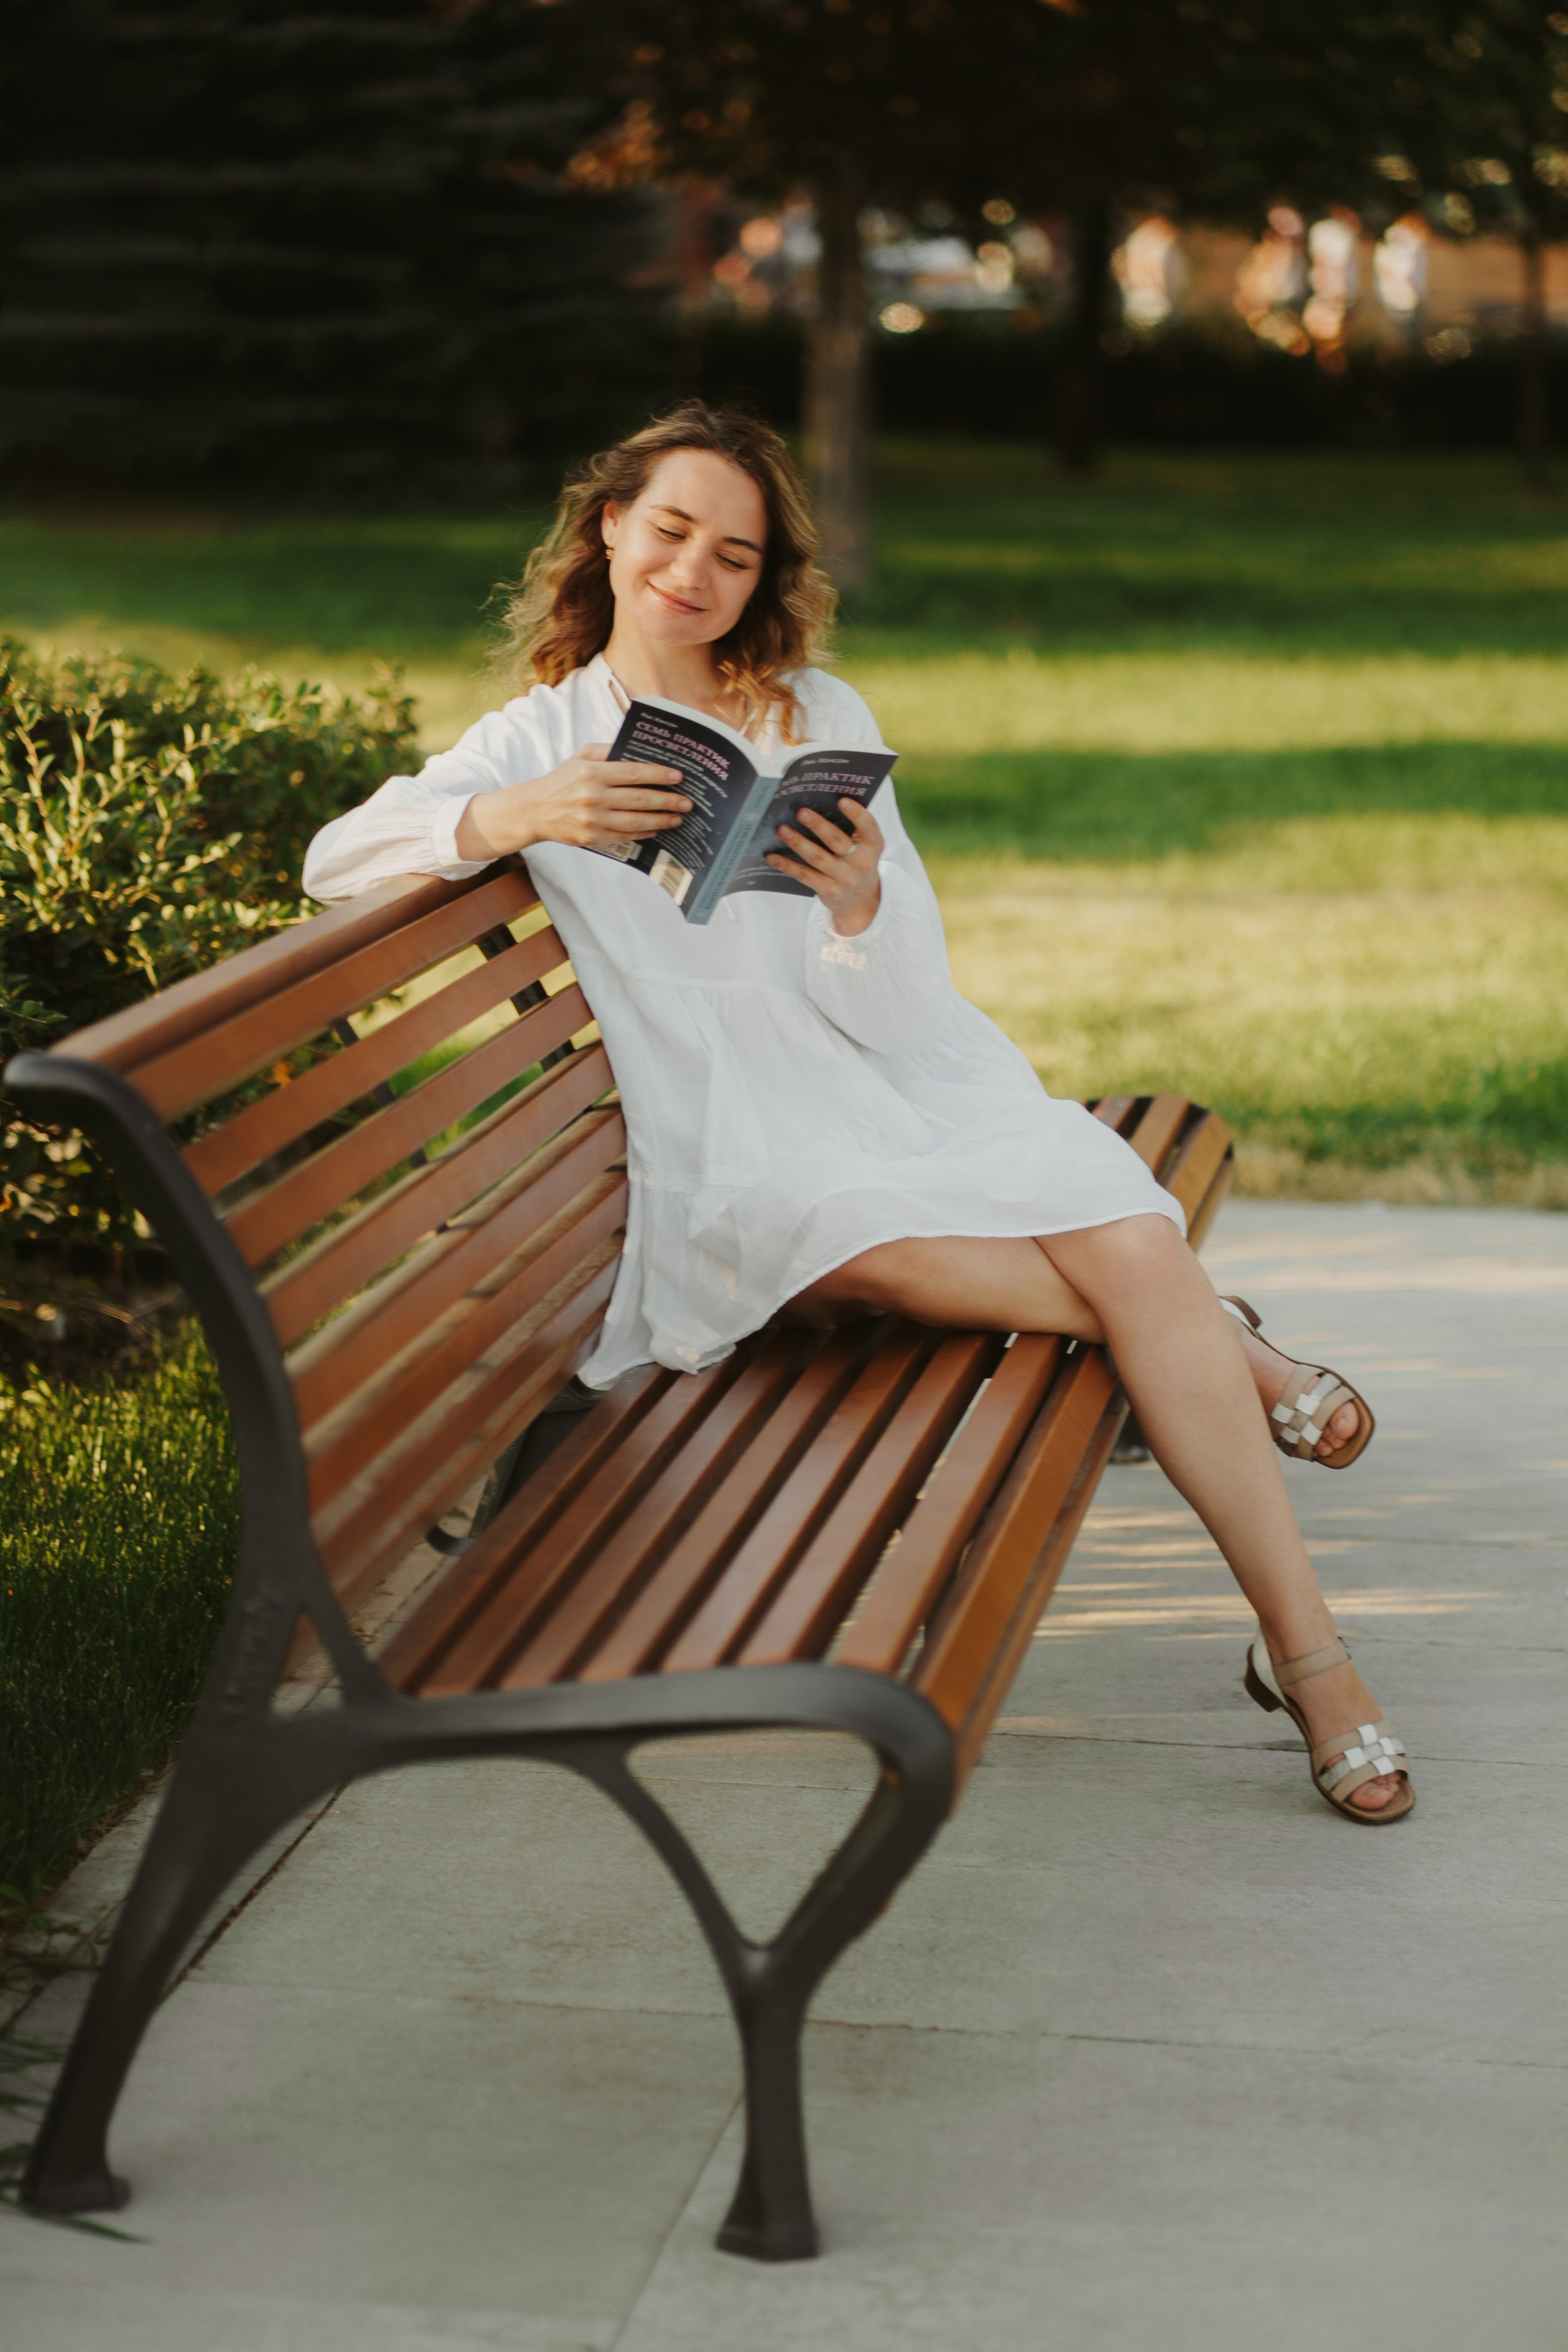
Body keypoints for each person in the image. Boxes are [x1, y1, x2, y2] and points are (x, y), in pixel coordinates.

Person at [303, 402, 1411, 1826]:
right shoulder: (534, 740)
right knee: (1104, 1264)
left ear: (765, 578)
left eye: (735, 553)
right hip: (733, 1150)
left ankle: (1310, 1657)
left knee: (1130, 1243)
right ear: (608, 531)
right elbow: (338, 861)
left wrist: (855, 901)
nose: (693, 573)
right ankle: (1228, 1354)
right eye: (669, 533)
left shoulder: (815, 715)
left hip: (893, 1083)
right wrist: (510, 818)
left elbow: (899, 1003)